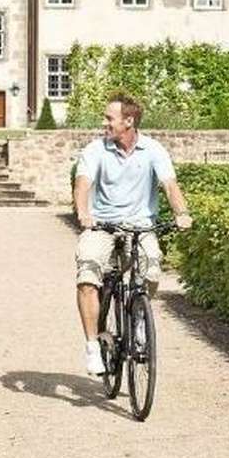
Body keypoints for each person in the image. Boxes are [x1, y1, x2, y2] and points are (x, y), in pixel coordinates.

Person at [73, 93, 191, 375]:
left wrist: (181, 213)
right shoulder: (95, 150)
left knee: (151, 269)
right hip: (101, 224)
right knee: (87, 276)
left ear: (129, 121)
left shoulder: (153, 150)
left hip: (140, 225)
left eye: (109, 118)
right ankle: (92, 347)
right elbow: (83, 183)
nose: (104, 123)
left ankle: (138, 318)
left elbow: (170, 185)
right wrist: (83, 212)